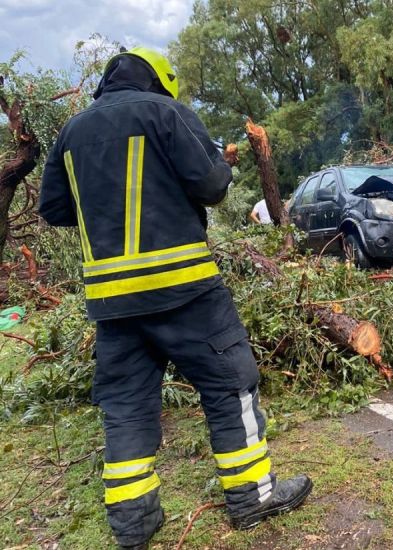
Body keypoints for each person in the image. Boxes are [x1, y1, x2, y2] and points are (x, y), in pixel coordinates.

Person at [39, 47, 312, 550]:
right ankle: (253, 498)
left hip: (113, 305)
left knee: (124, 407)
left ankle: (134, 526)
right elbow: (210, 187)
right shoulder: (166, 112)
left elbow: (54, 207)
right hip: (185, 290)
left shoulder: (71, 132)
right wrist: (216, 161)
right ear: (160, 82)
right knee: (232, 385)